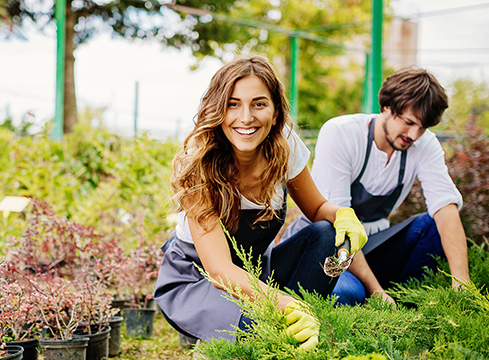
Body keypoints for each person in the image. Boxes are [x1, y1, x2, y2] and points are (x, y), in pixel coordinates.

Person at [153, 55, 368, 350]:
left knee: (325, 233)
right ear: (218, 109)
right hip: (199, 278)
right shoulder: (199, 165)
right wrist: (284, 304)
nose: (246, 117)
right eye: (233, 103)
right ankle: (232, 332)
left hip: (256, 274)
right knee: (263, 329)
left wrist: (343, 214)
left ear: (276, 111)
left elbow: (318, 209)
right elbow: (219, 270)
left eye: (259, 103)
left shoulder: (285, 146)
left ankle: (301, 325)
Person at [282, 67, 470, 306]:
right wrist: (376, 291)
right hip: (330, 244)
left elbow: (445, 207)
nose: (414, 134)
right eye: (409, 122)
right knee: (347, 294)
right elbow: (339, 225)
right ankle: (373, 294)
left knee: (432, 226)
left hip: (374, 244)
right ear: (387, 108)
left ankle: (407, 301)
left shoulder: (424, 143)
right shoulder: (341, 133)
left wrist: (462, 284)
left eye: (422, 127)